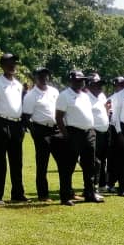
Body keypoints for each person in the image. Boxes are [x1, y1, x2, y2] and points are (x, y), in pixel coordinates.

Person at [54, 70, 102, 206]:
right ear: (71, 80)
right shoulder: (64, 95)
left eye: (82, 80)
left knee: (90, 165)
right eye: (77, 80)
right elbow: (59, 117)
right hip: (73, 133)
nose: (80, 82)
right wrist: (65, 134)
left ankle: (89, 193)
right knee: (68, 166)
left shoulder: (85, 95)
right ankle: (66, 196)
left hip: (89, 132)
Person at [0, 52, 26, 204]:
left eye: (14, 63)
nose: (12, 66)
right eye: (9, 63)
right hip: (2, 123)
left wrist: (22, 125)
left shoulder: (18, 85)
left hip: (16, 125)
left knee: (17, 161)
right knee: (0, 161)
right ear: (2, 65)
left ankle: (18, 194)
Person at [19, 67, 58, 202]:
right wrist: (35, 133)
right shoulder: (31, 95)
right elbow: (26, 117)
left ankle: (68, 191)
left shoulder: (54, 91)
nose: (44, 78)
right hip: (41, 130)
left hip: (56, 129)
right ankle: (43, 194)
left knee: (64, 162)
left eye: (46, 75)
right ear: (35, 78)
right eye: (41, 76)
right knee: (42, 164)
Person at [86, 73, 110, 192]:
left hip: (104, 131)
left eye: (101, 85)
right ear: (90, 85)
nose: (100, 87)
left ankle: (101, 184)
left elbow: (105, 109)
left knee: (102, 159)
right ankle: (93, 186)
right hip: (93, 131)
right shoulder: (86, 97)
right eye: (97, 85)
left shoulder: (101, 96)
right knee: (94, 161)